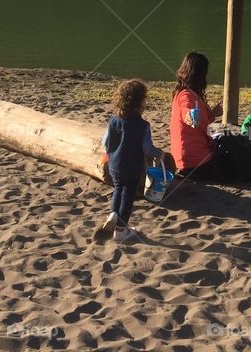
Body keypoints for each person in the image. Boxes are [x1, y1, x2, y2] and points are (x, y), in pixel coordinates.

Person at [95, 79, 164, 243]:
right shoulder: (143, 125)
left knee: (118, 189)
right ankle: (120, 230)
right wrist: (159, 153)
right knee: (127, 195)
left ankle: (113, 215)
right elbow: (147, 148)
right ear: (140, 103)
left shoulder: (113, 121)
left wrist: (112, 153)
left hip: (114, 165)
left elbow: (105, 142)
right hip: (132, 167)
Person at [169, 51, 221, 180]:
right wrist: (189, 115)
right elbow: (186, 109)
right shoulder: (186, 95)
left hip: (181, 159)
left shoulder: (180, 92)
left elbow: (200, 119)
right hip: (195, 160)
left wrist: (212, 114)